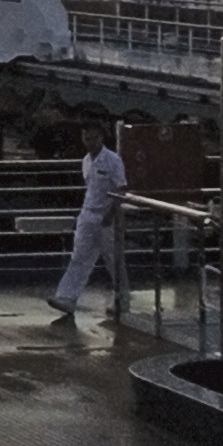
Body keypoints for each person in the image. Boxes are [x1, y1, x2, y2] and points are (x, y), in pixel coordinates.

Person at [46, 114, 131, 316]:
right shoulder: (86, 161)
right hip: (88, 215)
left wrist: (111, 214)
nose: (91, 143)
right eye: (87, 138)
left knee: (114, 260)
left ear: (101, 137)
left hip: (107, 217)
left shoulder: (113, 160)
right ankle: (67, 297)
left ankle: (122, 300)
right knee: (80, 257)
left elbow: (121, 189)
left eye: (94, 138)